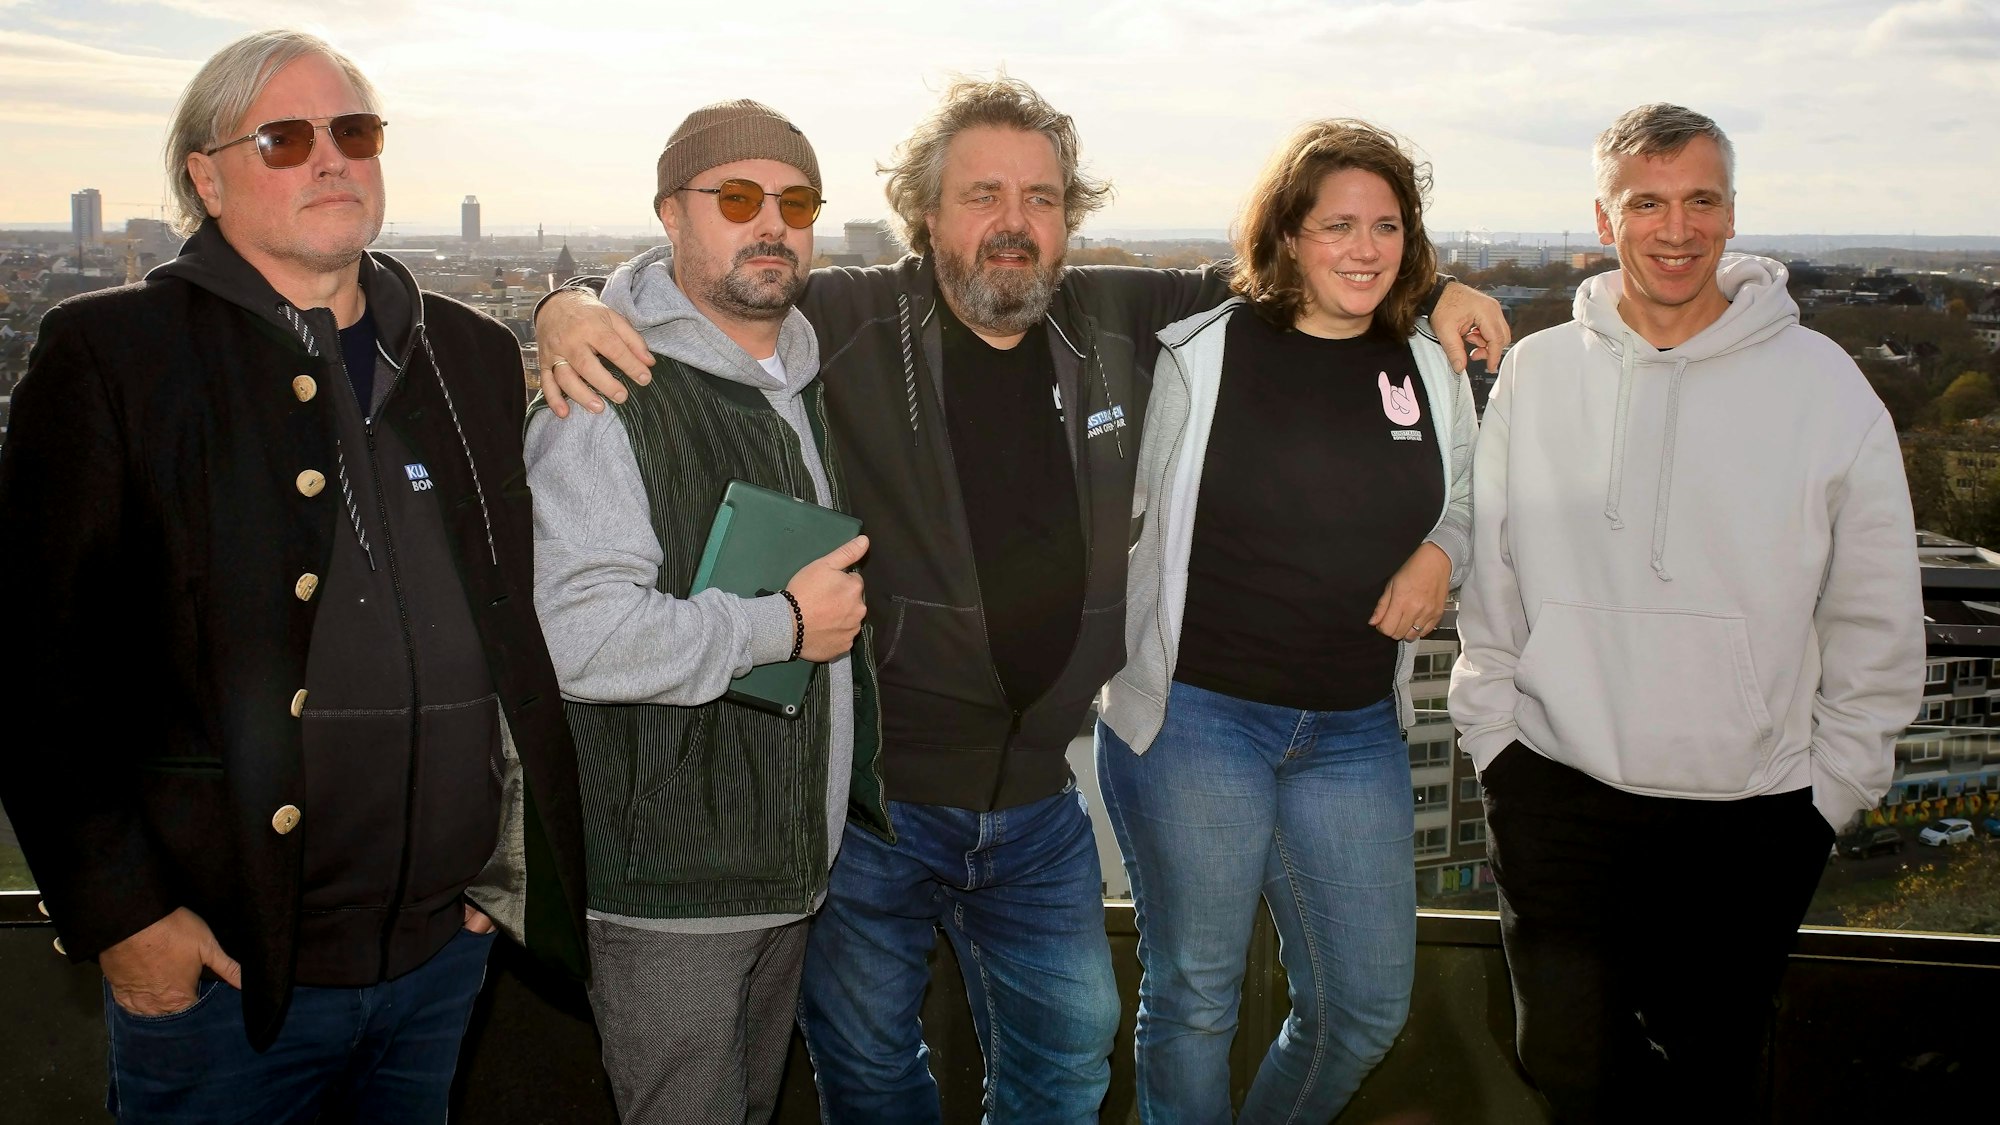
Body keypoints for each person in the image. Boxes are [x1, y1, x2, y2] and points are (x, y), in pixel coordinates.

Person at [535, 77, 1510, 1124]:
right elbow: (721, 287)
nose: (1014, 224)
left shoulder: (1119, 318)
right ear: (923, 214)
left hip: (1038, 803)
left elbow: (1298, 271)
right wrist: (575, 303)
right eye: (981, 196)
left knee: (1069, 1058)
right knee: (868, 1067)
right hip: (875, 801)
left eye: (1041, 199)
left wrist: (1436, 286)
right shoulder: (851, 314)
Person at [0, 29, 586, 1123]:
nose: (330, 158)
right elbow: (37, 665)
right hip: (228, 974)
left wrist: (495, 876)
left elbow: (512, 624)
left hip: (439, 955)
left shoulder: (463, 351)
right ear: (206, 178)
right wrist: (124, 917)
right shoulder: (114, 354)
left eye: (353, 132)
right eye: (284, 137)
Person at [1449, 103, 1923, 1122]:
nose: (1675, 229)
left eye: (1699, 201)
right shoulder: (1537, 373)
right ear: (1602, 217)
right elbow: (1491, 578)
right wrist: (1495, 741)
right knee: (1566, 1069)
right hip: (1558, 791)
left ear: (1730, 212)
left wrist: (1826, 795)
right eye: (1647, 203)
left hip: (1749, 815)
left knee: (1705, 1085)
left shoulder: (1824, 388)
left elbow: (1875, 616)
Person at [1097, 119, 1474, 1123]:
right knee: (1195, 1001)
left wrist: (1441, 552)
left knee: (1361, 1006)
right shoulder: (1198, 354)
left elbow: (1469, 499)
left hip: (1351, 729)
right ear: (1287, 236)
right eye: (1335, 225)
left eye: (1384, 226)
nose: (1361, 248)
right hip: (1197, 721)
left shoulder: (1427, 367)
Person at [523, 99, 877, 1125]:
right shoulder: (610, 390)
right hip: (669, 884)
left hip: (786, 864)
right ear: (670, 218)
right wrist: (779, 627)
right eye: (735, 197)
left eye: (795, 200)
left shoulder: (803, 377)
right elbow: (574, 634)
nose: (771, 222)